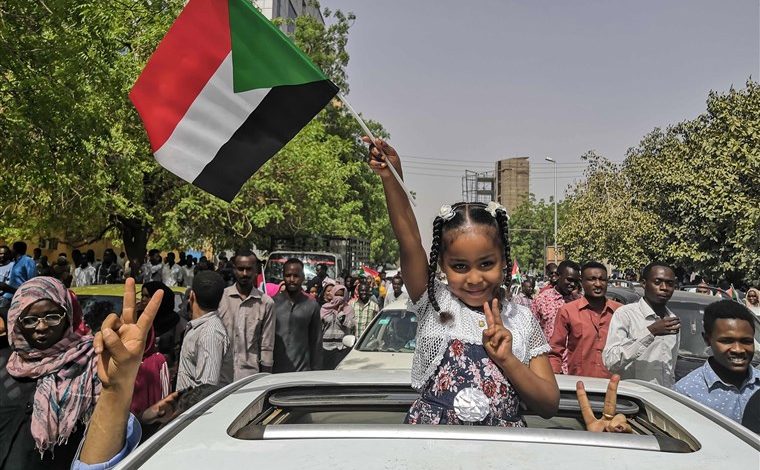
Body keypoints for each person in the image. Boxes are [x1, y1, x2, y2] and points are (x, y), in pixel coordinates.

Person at [367, 137, 558, 426]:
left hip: (501, 447)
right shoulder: (434, 303)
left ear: (504, 261)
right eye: (460, 266)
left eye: (486, 264)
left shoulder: (522, 319)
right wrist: (392, 177)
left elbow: (548, 404)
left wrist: (508, 359)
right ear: (442, 266)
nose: (474, 278)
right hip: (432, 443)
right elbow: (408, 239)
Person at [1, 277, 100, 469]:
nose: (42, 327)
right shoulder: (5, 363)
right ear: (16, 323)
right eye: (30, 320)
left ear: (67, 316)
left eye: (52, 317)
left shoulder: (91, 363)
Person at [674, 300, 759, 423]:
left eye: (746, 341)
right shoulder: (686, 393)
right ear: (707, 340)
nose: (738, 349)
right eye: (727, 341)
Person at [603, 262, 680, 387]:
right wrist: (650, 332)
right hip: (633, 396)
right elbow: (611, 361)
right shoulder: (625, 315)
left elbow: (670, 368)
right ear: (644, 283)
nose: (664, 287)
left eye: (670, 284)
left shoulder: (672, 320)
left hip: (662, 396)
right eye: (657, 282)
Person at [549, 261, 622, 378]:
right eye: (592, 279)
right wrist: (555, 379)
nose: (598, 284)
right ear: (582, 281)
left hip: (614, 384)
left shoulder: (620, 312)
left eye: (602, 279)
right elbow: (555, 351)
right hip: (579, 383)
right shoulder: (568, 311)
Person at [217, 250, 275, 379]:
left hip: (249, 378)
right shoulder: (221, 298)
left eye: (249, 269)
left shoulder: (266, 303)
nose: (244, 273)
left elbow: (267, 346)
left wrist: (266, 379)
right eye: (240, 269)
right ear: (234, 270)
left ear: (256, 271)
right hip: (220, 376)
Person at [176, 271, 233, 391]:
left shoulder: (210, 333)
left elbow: (206, 390)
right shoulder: (201, 328)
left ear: (192, 295)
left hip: (197, 404)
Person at [272, 258, 322, 373]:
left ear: (303, 277)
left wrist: (316, 372)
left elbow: (316, 342)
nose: (292, 279)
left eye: (296, 276)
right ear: (283, 277)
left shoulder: (312, 305)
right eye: (288, 275)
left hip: (302, 372)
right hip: (275, 372)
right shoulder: (272, 304)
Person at [531, 260, 581, 345]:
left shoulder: (580, 302)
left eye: (576, 281)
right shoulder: (542, 299)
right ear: (558, 276)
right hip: (549, 352)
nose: (573, 284)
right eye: (569, 280)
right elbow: (532, 332)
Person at [320, 280, 355, 369]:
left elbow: (351, 325)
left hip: (342, 347)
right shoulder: (324, 308)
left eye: (341, 295)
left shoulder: (349, 309)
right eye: (336, 295)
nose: (339, 298)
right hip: (326, 347)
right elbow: (319, 327)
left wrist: (340, 314)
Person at [0, 241, 38, 321]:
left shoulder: (28, 261)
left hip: (21, 298)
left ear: (15, 250)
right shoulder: (15, 262)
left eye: (12, 249)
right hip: (9, 297)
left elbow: (32, 281)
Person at [0, 245, 14, 326]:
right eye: (0, 253)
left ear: (9, 254)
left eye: (4, 254)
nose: (2, 255)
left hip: (5, 299)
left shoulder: (13, 266)